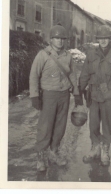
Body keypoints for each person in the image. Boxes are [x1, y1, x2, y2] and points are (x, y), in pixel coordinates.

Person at [29, 24, 82, 171]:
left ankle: (53, 153)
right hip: (49, 95)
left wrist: (76, 93)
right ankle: (41, 157)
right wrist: (34, 95)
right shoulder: (43, 55)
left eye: (62, 38)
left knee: (60, 125)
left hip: (64, 95)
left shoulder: (68, 56)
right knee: (45, 126)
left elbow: (72, 74)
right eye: (57, 38)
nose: (60, 41)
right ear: (51, 39)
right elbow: (34, 75)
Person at [79, 25, 111, 166]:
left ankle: (105, 150)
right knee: (93, 124)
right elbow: (84, 74)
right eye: (101, 38)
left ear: (110, 39)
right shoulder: (91, 54)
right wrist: (79, 91)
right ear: (98, 39)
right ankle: (95, 148)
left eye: (106, 38)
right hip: (93, 96)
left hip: (109, 96)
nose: (103, 41)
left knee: (107, 124)